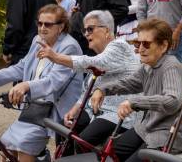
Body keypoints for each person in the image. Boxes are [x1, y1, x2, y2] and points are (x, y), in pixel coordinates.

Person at [0, 4, 83, 162]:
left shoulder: (69, 46)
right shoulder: (38, 40)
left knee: (23, 147)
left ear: (61, 26)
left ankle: (41, 156)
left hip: (55, 107)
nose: (42, 28)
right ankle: (42, 157)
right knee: (7, 148)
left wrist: (26, 85)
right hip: (35, 106)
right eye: (40, 23)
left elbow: (54, 81)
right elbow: (21, 67)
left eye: (48, 24)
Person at [91, 18, 182, 161]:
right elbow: (129, 83)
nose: (140, 49)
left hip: (169, 133)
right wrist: (102, 89)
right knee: (109, 153)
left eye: (146, 44)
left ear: (163, 46)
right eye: (137, 43)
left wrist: (134, 102)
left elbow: (172, 101)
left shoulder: (171, 66)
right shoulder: (148, 65)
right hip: (149, 126)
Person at [37, 10, 140, 152]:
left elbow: (93, 63)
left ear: (106, 30)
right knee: (62, 129)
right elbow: (88, 89)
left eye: (90, 29)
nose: (86, 34)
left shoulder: (119, 46)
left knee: (82, 142)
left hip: (119, 113)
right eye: (84, 30)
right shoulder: (102, 54)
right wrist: (74, 109)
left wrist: (56, 57)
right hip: (96, 111)